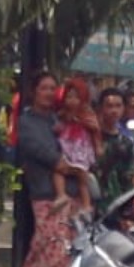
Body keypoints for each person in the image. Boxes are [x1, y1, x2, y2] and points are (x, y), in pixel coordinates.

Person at [16, 71, 82, 267]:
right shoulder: (26, 123)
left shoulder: (59, 121)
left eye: (53, 88)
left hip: (72, 197)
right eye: (44, 88)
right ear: (34, 92)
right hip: (46, 197)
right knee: (48, 249)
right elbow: (55, 160)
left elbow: (79, 153)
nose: (49, 93)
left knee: (68, 253)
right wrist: (75, 166)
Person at [56, 78, 100, 210]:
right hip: (67, 148)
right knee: (58, 171)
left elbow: (94, 129)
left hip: (80, 148)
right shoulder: (63, 114)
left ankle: (86, 204)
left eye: (76, 97)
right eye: (69, 97)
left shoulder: (87, 113)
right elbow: (59, 125)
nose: (72, 101)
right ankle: (61, 194)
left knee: (83, 179)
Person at [95, 88, 134, 197]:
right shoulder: (90, 137)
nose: (114, 110)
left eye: (118, 106)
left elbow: (130, 173)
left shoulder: (127, 142)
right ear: (100, 108)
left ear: (123, 108)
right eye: (109, 106)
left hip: (118, 200)